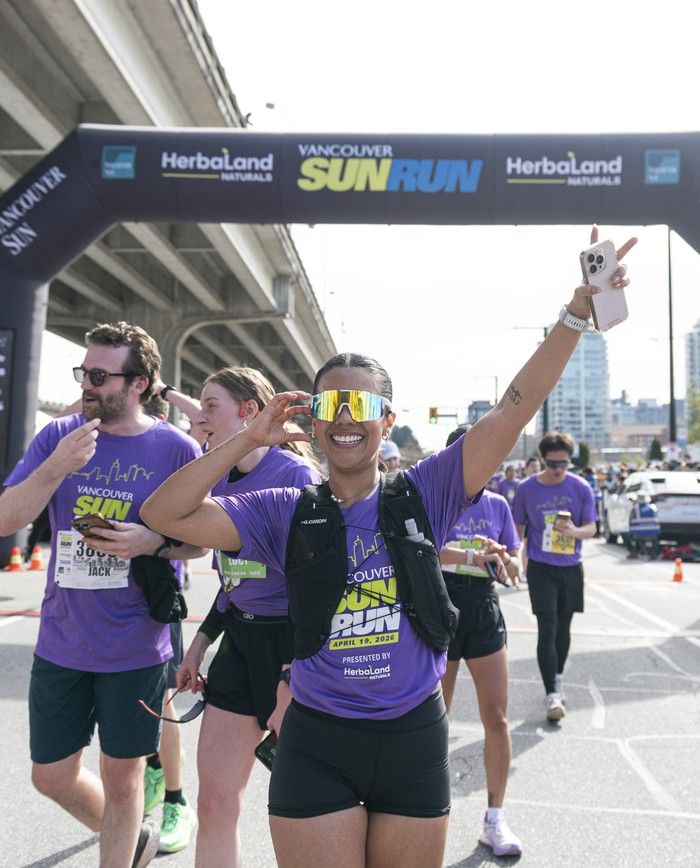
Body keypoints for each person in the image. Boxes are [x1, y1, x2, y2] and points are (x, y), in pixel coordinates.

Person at [141, 227, 634, 867]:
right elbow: (162, 513)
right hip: (316, 742)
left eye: (361, 403)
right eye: (330, 403)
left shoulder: (425, 493)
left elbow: (512, 411)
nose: (345, 417)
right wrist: (247, 439)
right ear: (310, 418)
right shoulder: (282, 508)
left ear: (387, 419)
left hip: (412, 740)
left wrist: (573, 317)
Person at [0, 321, 205, 868]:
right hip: (61, 639)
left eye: (99, 375)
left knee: (124, 776)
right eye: (83, 372)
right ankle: (134, 840)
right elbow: (6, 519)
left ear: (138, 384)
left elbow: (199, 545)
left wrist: (151, 541)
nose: (87, 384)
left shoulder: (175, 448)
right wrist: (56, 468)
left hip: (136, 645)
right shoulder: (59, 438)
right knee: (51, 775)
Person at [170, 366, 320, 868]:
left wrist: (291, 674)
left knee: (305, 813)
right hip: (239, 644)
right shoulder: (218, 479)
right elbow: (236, 579)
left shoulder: (295, 477)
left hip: (296, 649)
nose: (200, 417)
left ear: (249, 413)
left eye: (210, 406)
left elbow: (320, 591)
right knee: (214, 802)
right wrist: (200, 643)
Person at [440, 425, 523, 857]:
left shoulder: (497, 504)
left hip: (484, 609)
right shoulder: (438, 498)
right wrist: (472, 554)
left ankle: (495, 818)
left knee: (497, 717)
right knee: (437, 717)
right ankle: (428, 808)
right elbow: (427, 551)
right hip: (442, 607)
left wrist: (503, 556)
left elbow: (514, 569)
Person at [512, 431, 598, 723]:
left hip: (571, 567)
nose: (559, 469)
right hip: (541, 566)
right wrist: (516, 562)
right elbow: (518, 533)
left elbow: (592, 528)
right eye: (552, 464)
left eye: (564, 463)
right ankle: (552, 694)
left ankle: (557, 678)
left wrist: (574, 532)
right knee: (547, 627)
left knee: (563, 628)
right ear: (542, 460)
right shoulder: (526, 489)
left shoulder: (581, 487)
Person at [626, 494, 660, 559]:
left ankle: (634, 553)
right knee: (654, 539)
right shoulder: (653, 508)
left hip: (638, 535)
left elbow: (630, 524)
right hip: (653, 535)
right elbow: (657, 522)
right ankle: (653, 553)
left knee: (625, 535)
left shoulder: (635, 509)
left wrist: (631, 533)